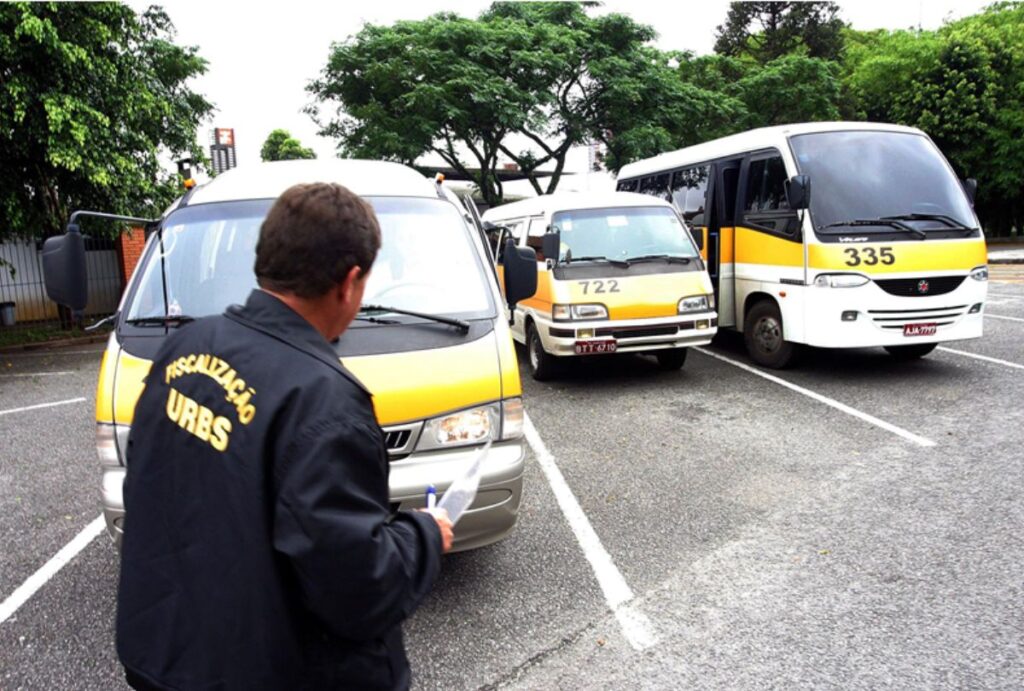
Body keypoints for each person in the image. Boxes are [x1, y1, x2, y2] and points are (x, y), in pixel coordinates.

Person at [116, 182, 453, 690]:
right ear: (350, 282)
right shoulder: (323, 400)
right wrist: (425, 535)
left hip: (162, 655)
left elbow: (149, 486)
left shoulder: (183, 349)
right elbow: (356, 588)